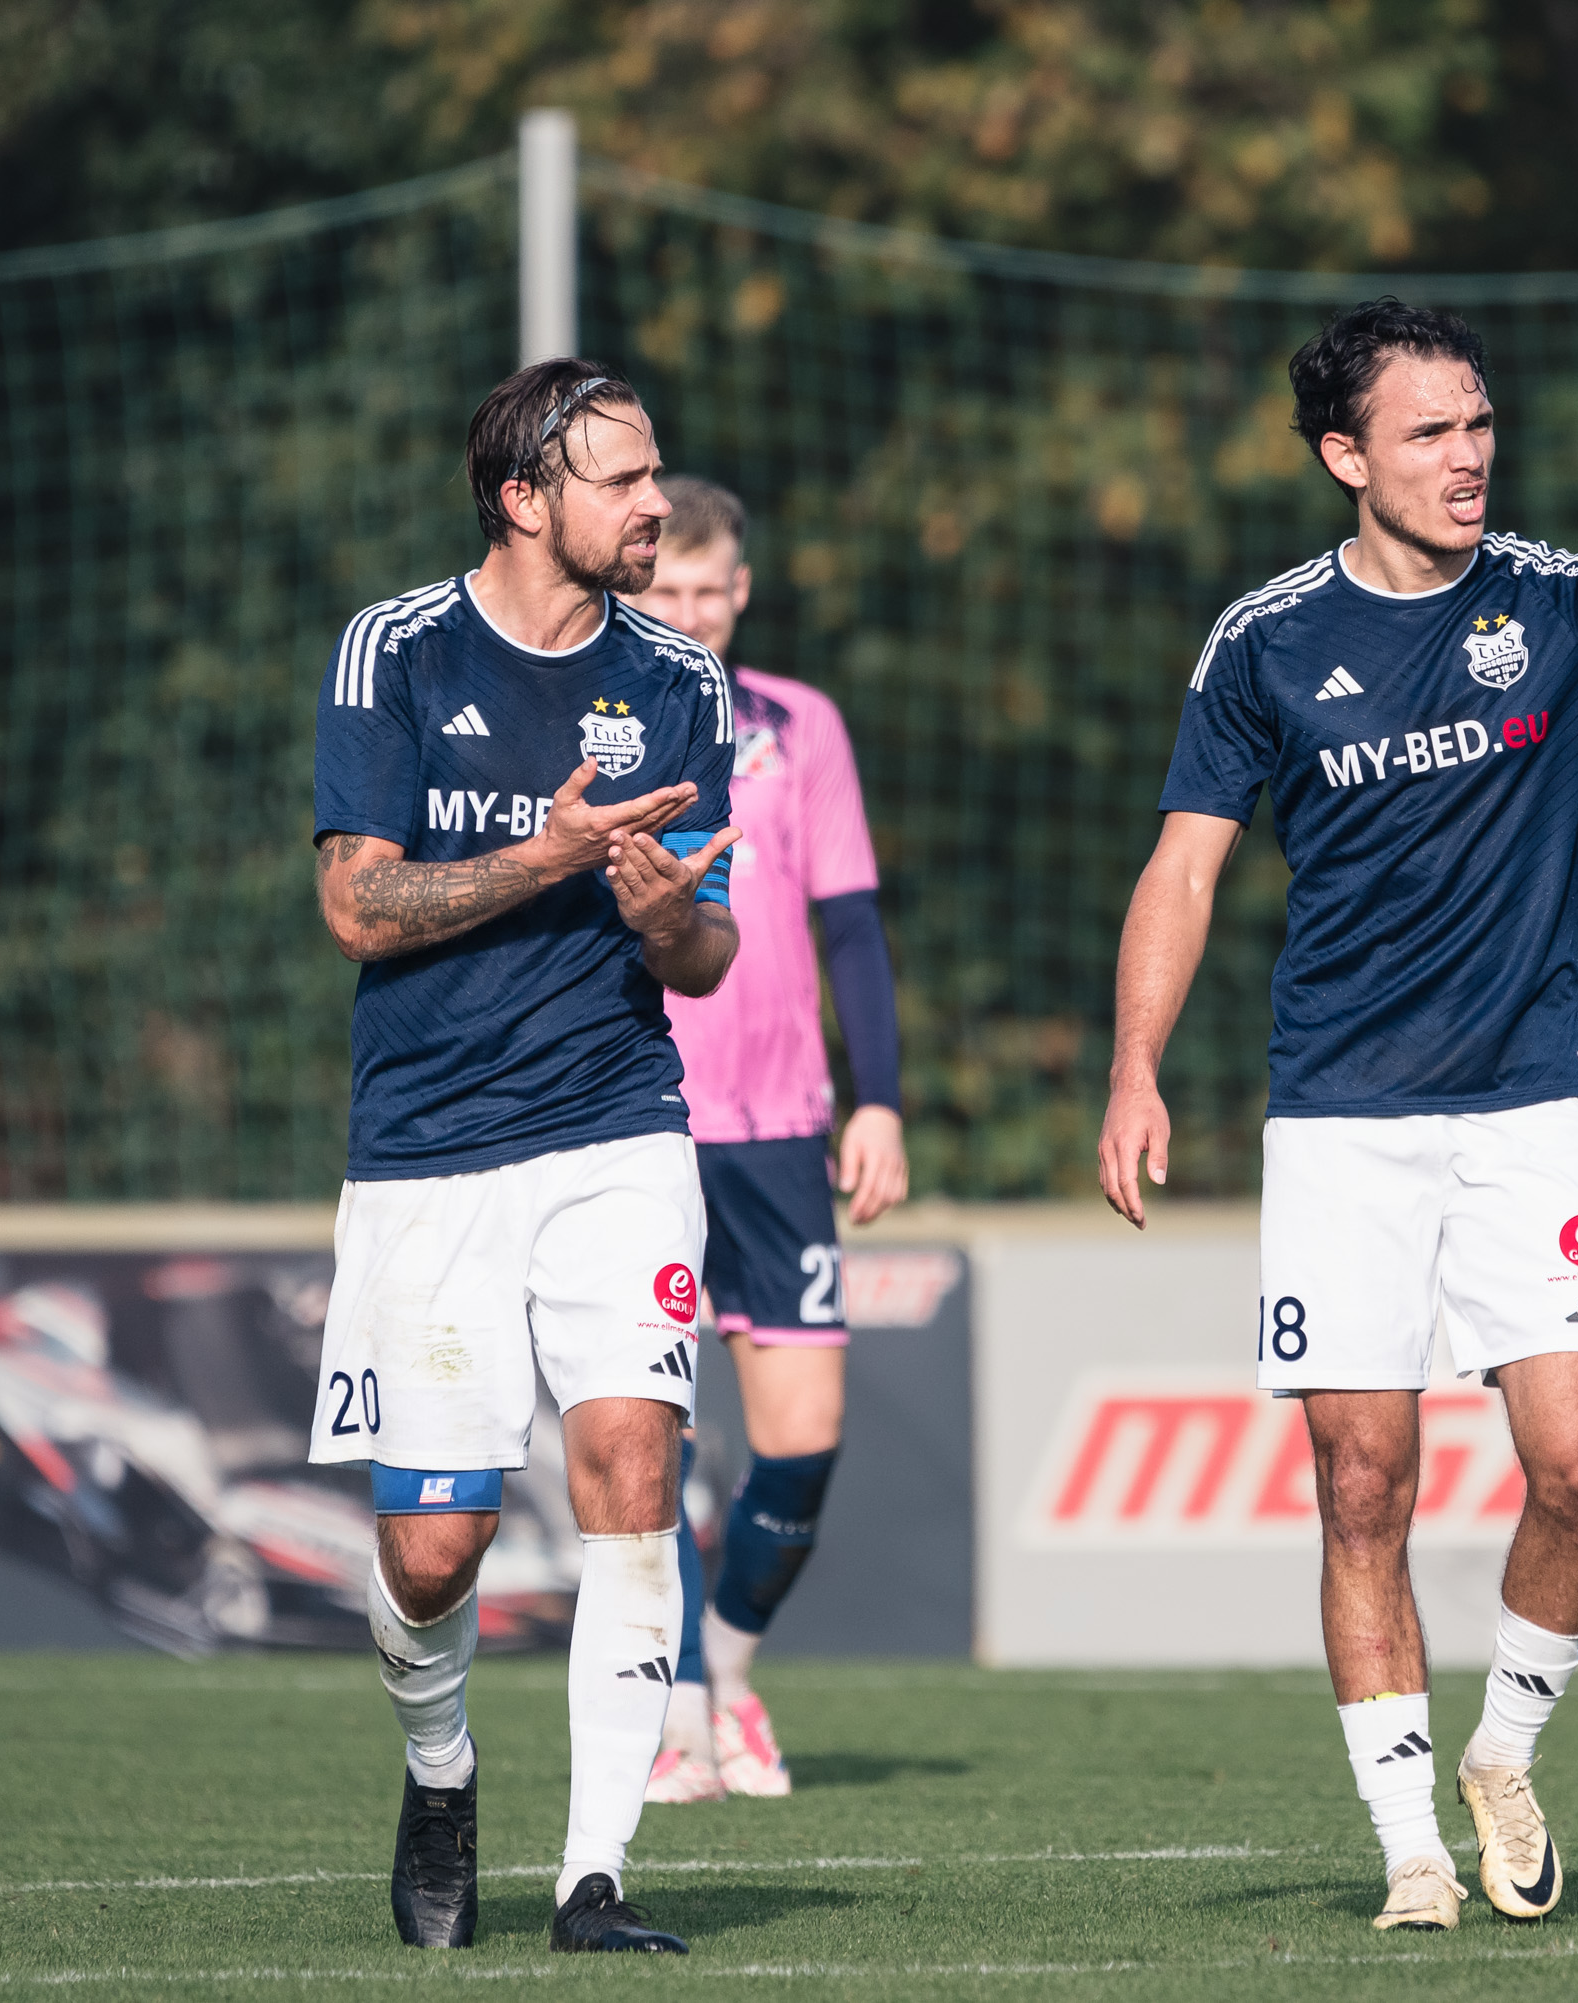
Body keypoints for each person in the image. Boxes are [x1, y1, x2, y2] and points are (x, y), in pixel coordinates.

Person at [1096, 299, 1578, 1931]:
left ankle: (1504, 1750)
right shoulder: (1264, 639)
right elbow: (1184, 867)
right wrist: (1136, 1064)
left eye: (1478, 421)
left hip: (1533, 1102)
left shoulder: (1563, 600)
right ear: (1347, 455)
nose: (1468, 453)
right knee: (1366, 1484)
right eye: (1430, 430)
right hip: (1341, 1117)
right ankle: (1411, 1844)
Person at [310, 358, 743, 1956]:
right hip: (429, 1149)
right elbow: (358, 905)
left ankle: (594, 1877)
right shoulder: (395, 651)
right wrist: (548, 854)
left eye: (654, 477)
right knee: (436, 1550)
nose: (653, 505)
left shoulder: (684, 682)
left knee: (635, 1463)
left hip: (618, 1127)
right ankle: (440, 1767)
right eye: (623, 481)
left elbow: (708, 954)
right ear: (523, 497)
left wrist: (662, 916)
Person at [625, 476, 909, 1804]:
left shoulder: (803, 728)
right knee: (650, 1434)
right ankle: (679, 1715)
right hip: (638, 1120)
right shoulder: (601, 722)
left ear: (740, 591)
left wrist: (881, 1096)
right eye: (663, 587)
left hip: (786, 1121)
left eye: (708, 587)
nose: (687, 609)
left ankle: (725, 1669)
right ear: (633, 586)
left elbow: (849, 920)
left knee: (803, 1433)